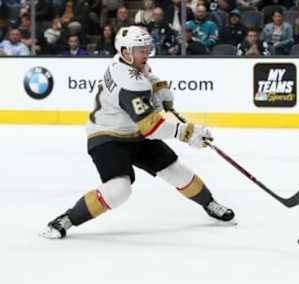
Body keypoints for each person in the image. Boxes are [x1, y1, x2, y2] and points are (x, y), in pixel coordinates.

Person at [40, 25, 235, 239]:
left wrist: (158, 87)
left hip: (133, 132)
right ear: (126, 52)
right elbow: (151, 126)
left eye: (147, 48)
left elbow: (147, 75)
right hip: (106, 137)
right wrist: (187, 133)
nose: (147, 54)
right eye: (141, 50)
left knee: (176, 171)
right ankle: (65, 219)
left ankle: (209, 204)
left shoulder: (125, 61)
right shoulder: (129, 82)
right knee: (119, 190)